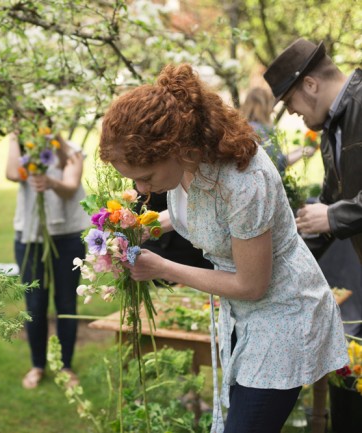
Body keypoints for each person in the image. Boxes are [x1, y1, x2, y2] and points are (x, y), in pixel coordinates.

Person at [98, 64, 348, 433]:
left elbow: (251, 284)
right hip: (243, 315)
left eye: (146, 176)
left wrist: (162, 268)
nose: (140, 189)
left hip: (283, 314)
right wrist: (150, 226)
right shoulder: (190, 164)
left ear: (176, 148)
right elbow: (206, 216)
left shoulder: (242, 180)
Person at [264, 38, 362, 338]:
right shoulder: (329, 132)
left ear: (310, 84)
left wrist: (333, 216)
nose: (292, 113)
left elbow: (331, 214)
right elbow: (325, 209)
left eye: (289, 101)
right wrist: (273, 266)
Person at [5, 123, 88, 389]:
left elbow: (71, 187)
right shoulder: (24, 150)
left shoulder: (69, 150)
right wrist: (14, 139)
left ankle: (66, 366)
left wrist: (50, 181)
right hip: (30, 236)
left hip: (67, 238)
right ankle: (37, 365)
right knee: (35, 304)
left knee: (66, 304)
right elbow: (11, 173)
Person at [239, 86, 316, 175]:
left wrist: (299, 150)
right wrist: (304, 153)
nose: (273, 110)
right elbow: (278, 164)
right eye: (271, 104)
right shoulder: (260, 130)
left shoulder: (246, 127)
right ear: (263, 106)